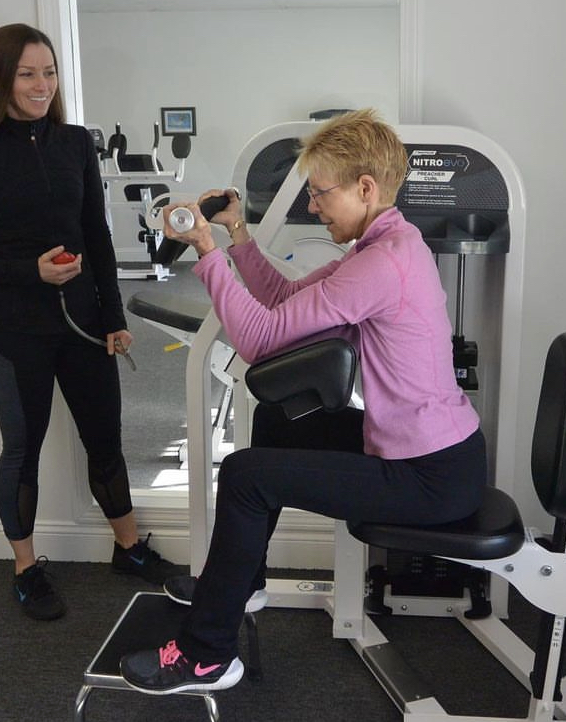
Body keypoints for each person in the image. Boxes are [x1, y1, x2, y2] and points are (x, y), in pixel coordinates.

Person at [118, 108, 487, 694]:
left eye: (321, 193)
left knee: (244, 475)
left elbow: (262, 336)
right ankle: (242, 581)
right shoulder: (387, 243)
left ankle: (206, 655)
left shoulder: (381, 263)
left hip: (428, 476)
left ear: (366, 188)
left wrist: (206, 252)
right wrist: (237, 234)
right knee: (277, 419)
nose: (313, 206)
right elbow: (285, 300)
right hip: (424, 454)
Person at [0, 24, 179, 621]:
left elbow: (96, 234)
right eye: (27, 74)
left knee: (106, 439)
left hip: (85, 326)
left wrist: (115, 317)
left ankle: (128, 548)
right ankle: (26, 568)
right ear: (1, 79)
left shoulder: (75, 143)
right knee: (21, 449)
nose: (41, 85)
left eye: (48, 72)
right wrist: (28, 271)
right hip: (16, 331)